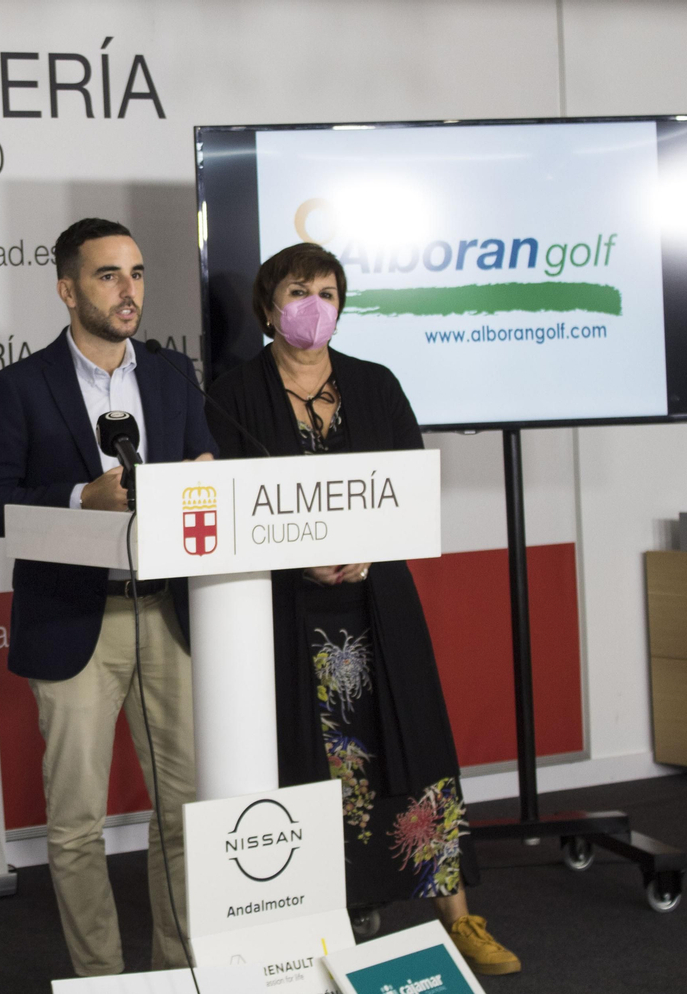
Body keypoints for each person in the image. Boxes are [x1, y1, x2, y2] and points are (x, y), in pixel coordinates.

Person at [205, 242, 521, 977]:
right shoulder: (230, 394)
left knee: (418, 755)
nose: (313, 304)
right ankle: (329, 920)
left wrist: (370, 550)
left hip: (379, 602)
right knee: (318, 769)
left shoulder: (376, 385)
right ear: (267, 305)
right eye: (296, 289)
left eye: (326, 289)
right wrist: (296, 554)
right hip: (285, 612)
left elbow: (412, 485)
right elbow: (223, 506)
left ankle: (460, 919)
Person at [0, 218, 215, 977]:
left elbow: (208, 473)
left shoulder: (172, 378)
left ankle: (180, 974)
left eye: (136, 273)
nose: (128, 290)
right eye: (109, 275)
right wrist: (81, 497)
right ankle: (102, 982)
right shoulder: (21, 387)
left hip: (170, 616)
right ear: (68, 289)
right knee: (76, 825)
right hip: (77, 622)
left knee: (187, 814)